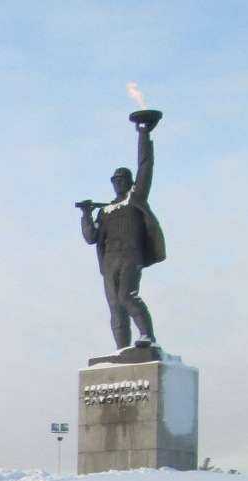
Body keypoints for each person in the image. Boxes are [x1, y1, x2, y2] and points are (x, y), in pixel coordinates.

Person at [79, 121, 166, 349]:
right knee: (115, 307)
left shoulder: (135, 199)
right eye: (115, 180)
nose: (118, 183)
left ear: (129, 182)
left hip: (130, 255)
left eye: (122, 180)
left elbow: (145, 166)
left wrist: (143, 134)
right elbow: (90, 238)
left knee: (127, 296)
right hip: (110, 260)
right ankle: (122, 351)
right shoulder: (105, 211)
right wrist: (86, 214)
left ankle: (147, 335)